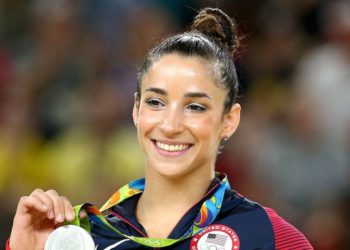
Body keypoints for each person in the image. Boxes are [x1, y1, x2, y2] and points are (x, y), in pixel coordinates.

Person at [7, 8, 313, 250]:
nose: (170, 124)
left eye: (195, 106)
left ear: (228, 120)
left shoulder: (269, 237)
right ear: (136, 110)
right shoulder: (83, 237)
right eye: (156, 102)